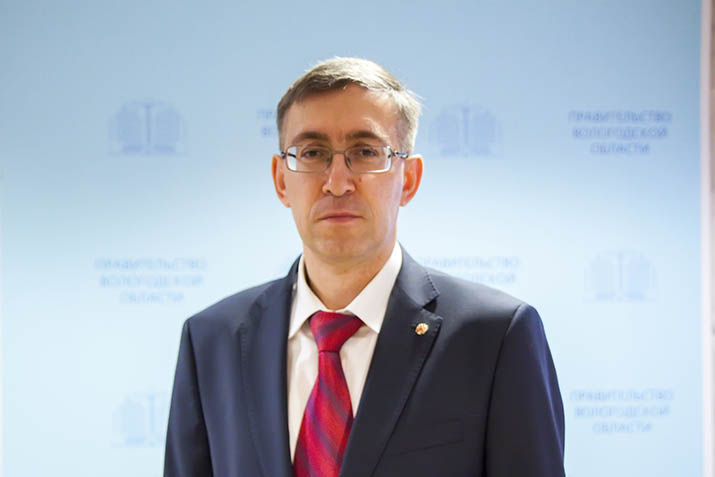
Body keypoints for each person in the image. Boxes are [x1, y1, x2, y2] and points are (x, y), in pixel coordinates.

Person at [164, 57, 565, 477]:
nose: (337, 182)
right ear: (281, 179)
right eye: (313, 153)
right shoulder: (211, 340)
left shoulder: (495, 336)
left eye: (365, 152)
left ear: (409, 179)